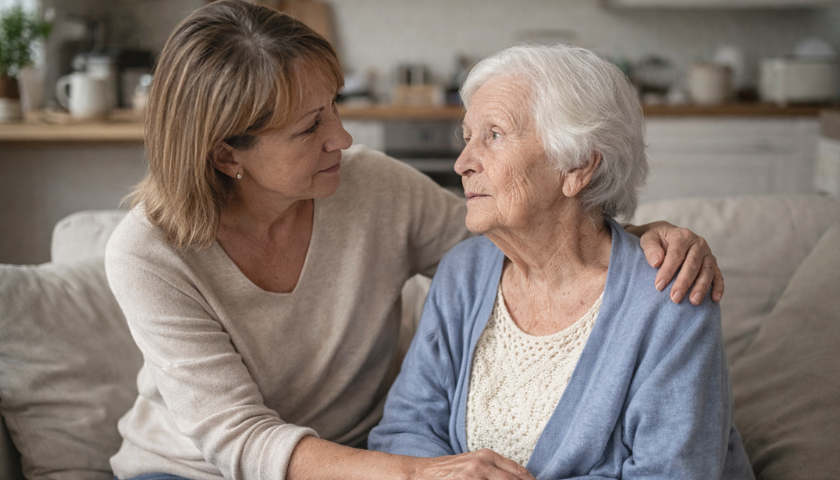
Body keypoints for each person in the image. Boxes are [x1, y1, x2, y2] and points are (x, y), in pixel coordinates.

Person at [105, 2, 726, 479]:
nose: (342, 138)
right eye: (309, 128)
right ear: (227, 156)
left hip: (360, 461)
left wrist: (636, 236)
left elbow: (531, 235)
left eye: (334, 108)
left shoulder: (374, 188)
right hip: (195, 467)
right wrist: (420, 474)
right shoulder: (147, 254)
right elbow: (241, 438)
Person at [368, 44, 754, 480]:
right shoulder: (464, 274)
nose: (462, 163)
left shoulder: (671, 295)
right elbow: (404, 430)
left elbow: (671, 472)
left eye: (494, 135)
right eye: (467, 137)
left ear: (577, 166)